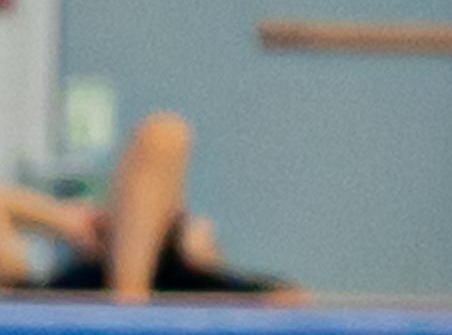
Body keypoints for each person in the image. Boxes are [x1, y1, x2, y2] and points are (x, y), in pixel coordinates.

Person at [0, 111, 288, 301]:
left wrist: (74, 223)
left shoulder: (178, 259)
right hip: (98, 295)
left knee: (163, 133)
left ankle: (129, 312)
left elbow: (162, 138)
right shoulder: (34, 293)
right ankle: (129, 313)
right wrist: (68, 222)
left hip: (163, 282)